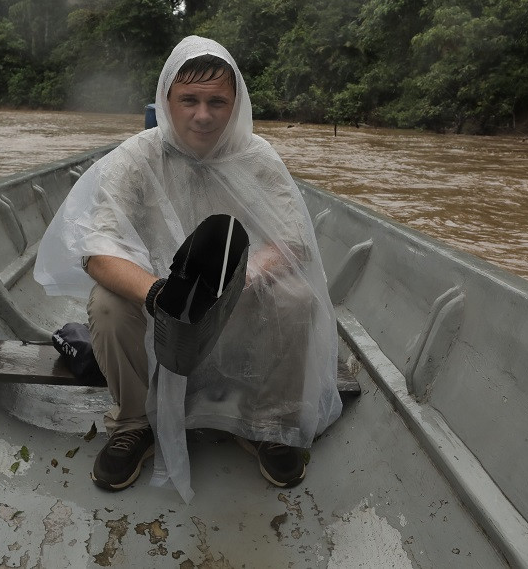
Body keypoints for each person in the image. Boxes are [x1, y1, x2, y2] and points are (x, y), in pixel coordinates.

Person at [34, 36, 342, 500]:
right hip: (158, 298)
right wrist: (159, 293)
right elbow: (98, 249)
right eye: (189, 100)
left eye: (217, 101)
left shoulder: (258, 157)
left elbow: (292, 239)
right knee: (108, 307)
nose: (203, 115)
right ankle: (134, 423)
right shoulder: (137, 157)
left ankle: (267, 422)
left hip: (236, 293)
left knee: (295, 297)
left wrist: (244, 277)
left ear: (235, 104)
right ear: (166, 101)